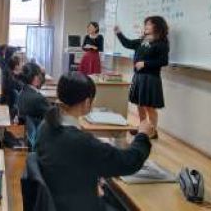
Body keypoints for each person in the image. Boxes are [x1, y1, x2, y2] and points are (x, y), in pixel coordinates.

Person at [36, 72, 153, 211]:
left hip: (61, 199)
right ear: (87, 102)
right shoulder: (81, 142)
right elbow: (129, 162)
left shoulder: (46, 125)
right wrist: (143, 135)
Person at [115, 16, 169, 139]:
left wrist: (145, 64)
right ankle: (142, 128)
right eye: (146, 24)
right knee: (140, 104)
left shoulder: (161, 43)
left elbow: (163, 61)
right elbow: (127, 43)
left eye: (149, 24)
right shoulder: (142, 41)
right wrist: (119, 33)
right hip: (139, 77)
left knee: (149, 106)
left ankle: (153, 131)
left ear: (157, 26)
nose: (146, 26)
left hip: (151, 78)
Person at [17, 63, 50, 145]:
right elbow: (54, 118)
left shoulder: (22, 92)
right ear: (35, 78)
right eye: (40, 75)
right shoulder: (38, 99)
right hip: (44, 137)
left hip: (29, 135)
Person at [2, 55, 23, 119]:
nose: (20, 66)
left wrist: (17, 74)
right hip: (10, 98)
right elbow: (19, 86)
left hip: (8, 96)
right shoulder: (11, 75)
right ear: (16, 66)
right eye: (19, 64)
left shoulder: (8, 70)